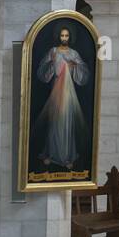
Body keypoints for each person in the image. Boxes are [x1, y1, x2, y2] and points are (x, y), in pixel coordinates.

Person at [34, 23, 90, 169]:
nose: (64, 38)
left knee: (67, 122)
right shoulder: (53, 51)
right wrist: (52, 63)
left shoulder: (73, 53)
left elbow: (84, 74)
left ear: (69, 37)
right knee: (55, 121)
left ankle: (67, 156)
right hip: (55, 90)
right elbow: (42, 73)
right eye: (62, 35)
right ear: (58, 36)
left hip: (69, 91)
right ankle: (52, 154)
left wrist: (76, 66)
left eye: (66, 35)